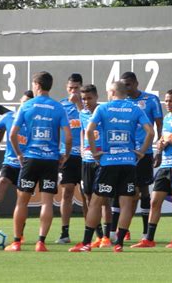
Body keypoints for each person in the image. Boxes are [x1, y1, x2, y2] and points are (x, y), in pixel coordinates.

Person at [69, 80, 154, 253]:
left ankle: (86, 243)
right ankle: (119, 244)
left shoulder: (103, 108)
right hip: (129, 163)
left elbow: (89, 130)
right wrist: (142, 152)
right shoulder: (135, 108)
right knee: (126, 204)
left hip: (108, 162)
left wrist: (94, 152)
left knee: (95, 202)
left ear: (113, 92)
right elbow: (150, 132)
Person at [5, 71, 71, 252]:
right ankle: (41, 242)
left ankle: (17, 242)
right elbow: (68, 136)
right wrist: (65, 155)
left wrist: (19, 154)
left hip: (31, 159)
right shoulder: (58, 108)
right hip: (50, 160)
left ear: (37, 85)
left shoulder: (27, 106)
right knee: (47, 202)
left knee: (22, 201)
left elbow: (12, 134)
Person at [131, 88, 172, 249]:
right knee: (154, 201)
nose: (168, 104)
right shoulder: (166, 119)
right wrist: (159, 148)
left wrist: (171, 141)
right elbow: (163, 139)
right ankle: (149, 239)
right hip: (164, 165)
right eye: (166, 101)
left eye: (171, 100)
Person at [119, 71, 163, 242]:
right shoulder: (121, 102)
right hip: (125, 153)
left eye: (128, 84)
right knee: (124, 190)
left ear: (136, 83)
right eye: (123, 85)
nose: (125, 88)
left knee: (144, 189)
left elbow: (159, 125)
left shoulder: (150, 100)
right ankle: (124, 229)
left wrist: (158, 150)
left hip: (145, 153)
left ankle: (146, 231)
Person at [0, 90, 34, 225]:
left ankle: (19, 231)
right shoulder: (9, 117)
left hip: (26, 164)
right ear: (20, 102)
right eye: (24, 102)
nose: (25, 105)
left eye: (29, 103)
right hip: (10, 161)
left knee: (21, 198)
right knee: (2, 181)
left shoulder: (35, 122)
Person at [79, 84, 112, 248]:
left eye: (89, 98)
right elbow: (83, 131)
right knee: (88, 198)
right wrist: (81, 148)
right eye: (83, 98)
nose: (86, 102)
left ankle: (106, 236)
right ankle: (98, 236)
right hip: (87, 160)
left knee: (103, 199)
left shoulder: (104, 112)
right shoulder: (83, 113)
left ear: (97, 97)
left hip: (102, 160)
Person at [56, 73, 85, 244]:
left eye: (76, 88)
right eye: (71, 88)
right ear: (67, 89)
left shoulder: (86, 106)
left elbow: (90, 124)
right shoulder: (61, 106)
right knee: (66, 192)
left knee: (87, 194)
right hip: (67, 156)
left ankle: (92, 231)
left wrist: (80, 104)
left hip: (84, 156)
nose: (73, 91)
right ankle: (64, 232)